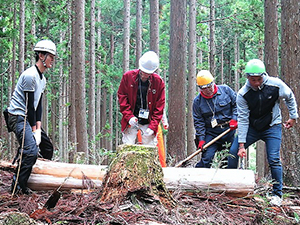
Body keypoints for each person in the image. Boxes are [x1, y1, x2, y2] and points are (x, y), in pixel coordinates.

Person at [228, 59, 298, 207]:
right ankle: (230, 189)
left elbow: (289, 96)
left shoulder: (275, 84)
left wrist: (293, 116)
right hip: (252, 128)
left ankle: (277, 194)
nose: (256, 83)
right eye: (253, 80)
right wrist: (241, 145)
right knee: (233, 152)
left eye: (259, 79)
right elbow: (243, 118)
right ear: (247, 78)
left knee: (273, 159)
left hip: (272, 126)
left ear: (264, 75)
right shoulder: (243, 94)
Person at [4, 40, 56, 194]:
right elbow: (28, 107)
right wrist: (33, 131)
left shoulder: (42, 79)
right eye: (50, 56)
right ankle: (17, 186)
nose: (53, 59)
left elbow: (37, 106)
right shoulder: (29, 76)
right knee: (31, 151)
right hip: (18, 116)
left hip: (28, 116)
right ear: (41, 56)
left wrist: (38, 130)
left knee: (47, 148)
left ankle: (33, 176)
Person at [117, 51, 165, 146]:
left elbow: (159, 108)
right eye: (144, 72)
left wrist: (153, 126)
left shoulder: (158, 82)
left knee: (149, 149)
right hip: (131, 120)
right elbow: (122, 98)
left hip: (148, 121)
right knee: (127, 146)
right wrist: (129, 116)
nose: (145, 75)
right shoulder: (128, 77)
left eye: (148, 73)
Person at [193, 70, 238, 168]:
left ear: (213, 83)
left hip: (228, 131)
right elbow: (198, 122)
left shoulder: (226, 90)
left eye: (209, 87)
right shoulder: (197, 102)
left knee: (229, 159)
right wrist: (201, 139)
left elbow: (237, 105)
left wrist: (235, 118)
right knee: (207, 158)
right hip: (211, 133)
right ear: (200, 88)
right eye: (204, 88)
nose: (208, 90)